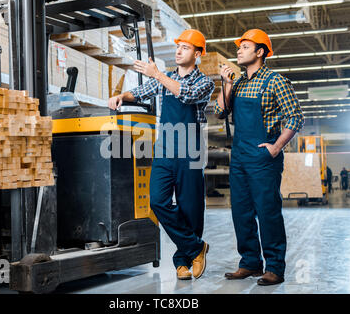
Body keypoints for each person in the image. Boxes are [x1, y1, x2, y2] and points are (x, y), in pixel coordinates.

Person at [108, 29, 215, 280]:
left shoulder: (204, 82)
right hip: (165, 149)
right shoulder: (164, 78)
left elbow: (186, 94)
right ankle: (197, 248)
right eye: (178, 47)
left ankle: (182, 261)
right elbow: (142, 92)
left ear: (197, 54)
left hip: (190, 151)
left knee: (190, 209)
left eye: (185, 48)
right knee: (157, 201)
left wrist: (157, 74)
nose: (178, 51)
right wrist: (122, 96)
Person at [214, 29, 304, 286]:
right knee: (241, 212)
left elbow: (295, 117)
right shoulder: (239, 83)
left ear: (260, 51)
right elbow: (220, 111)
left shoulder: (276, 81)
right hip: (240, 156)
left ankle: (274, 267)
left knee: (267, 212)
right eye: (239, 47)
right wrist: (227, 84)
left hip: (264, 157)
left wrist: (276, 147)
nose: (239, 50)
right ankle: (250, 263)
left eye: (245, 46)